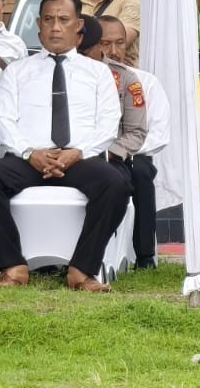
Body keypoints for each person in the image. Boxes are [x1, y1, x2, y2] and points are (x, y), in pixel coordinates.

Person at [0, 0, 129, 291]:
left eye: (63, 19)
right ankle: (12, 266)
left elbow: (109, 122)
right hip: (29, 159)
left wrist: (78, 152)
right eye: (48, 19)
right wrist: (29, 153)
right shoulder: (17, 71)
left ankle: (82, 270)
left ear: (78, 25)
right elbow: (3, 120)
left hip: (79, 159)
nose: (55, 27)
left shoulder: (98, 73)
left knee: (116, 184)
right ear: (38, 25)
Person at [78, 15, 152, 267]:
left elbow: (136, 132)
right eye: (104, 43)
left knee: (139, 172)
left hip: (112, 155)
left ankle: (142, 254)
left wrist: (105, 152)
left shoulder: (124, 78)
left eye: (119, 43)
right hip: (69, 154)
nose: (111, 50)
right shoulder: (65, 71)